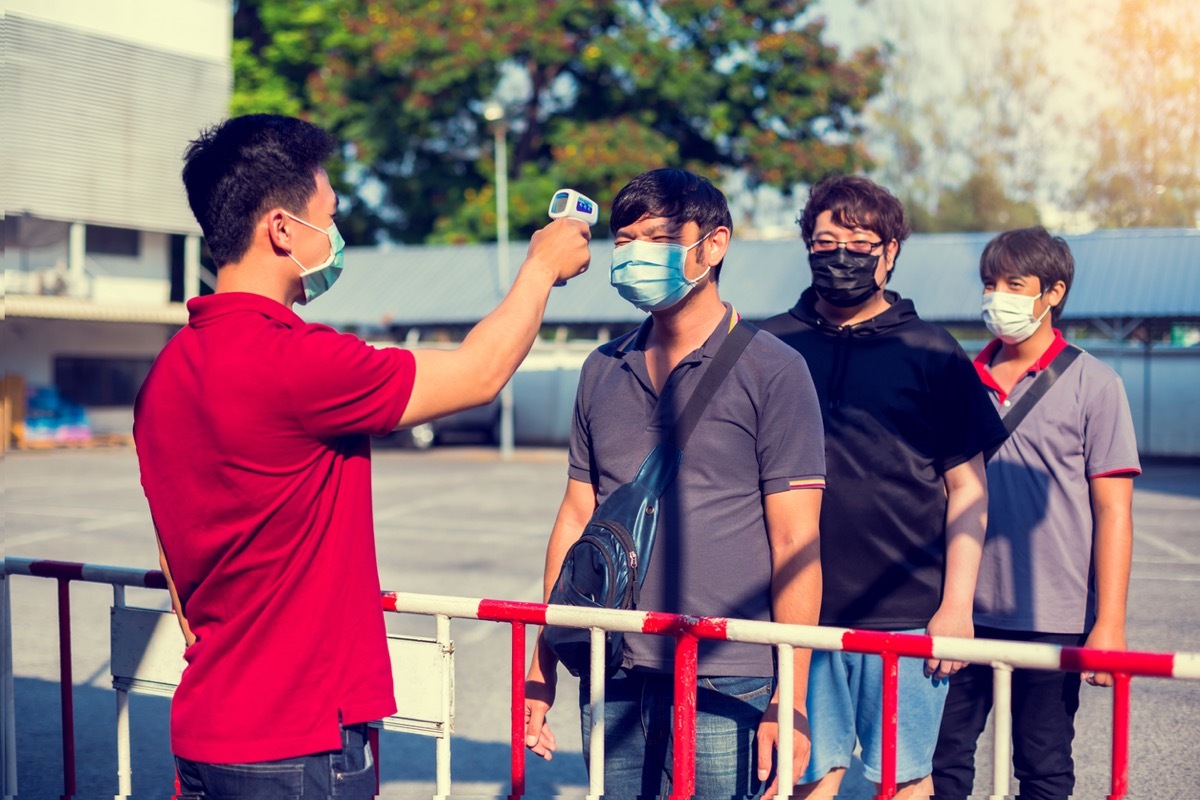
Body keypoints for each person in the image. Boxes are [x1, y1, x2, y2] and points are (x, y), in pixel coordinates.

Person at [132, 113, 591, 798]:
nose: (337, 234)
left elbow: (174, 555)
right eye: (331, 215)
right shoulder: (297, 361)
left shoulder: (167, 371)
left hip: (208, 728)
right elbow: (477, 373)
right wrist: (541, 268)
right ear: (283, 229)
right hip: (299, 741)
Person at [522, 168, 826, 798]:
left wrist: (789, 698)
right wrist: (543, 664)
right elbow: (578, 516)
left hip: (727, 671)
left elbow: (797, 538)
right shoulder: (602, 368)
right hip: (612, 668)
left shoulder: (774, 369)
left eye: (655, 240)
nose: (634, 256)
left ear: (713, 246)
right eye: (624, 241)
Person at [759, 174, 1004, 799]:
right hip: (798, 611)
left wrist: (956, 608)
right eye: (824, 240)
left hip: (908, 614)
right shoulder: (765, 347)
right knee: (807, 774)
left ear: (891, 251)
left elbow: (968, 490)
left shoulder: (933, 352)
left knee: (904, 779)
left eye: (859, 241)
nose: (840, 254)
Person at [931, 227, 1140, 800]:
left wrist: (1110, 622)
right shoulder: (956, 380)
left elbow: (1114, 512)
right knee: (940, 761)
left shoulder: (1096, 383)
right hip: (959, 610)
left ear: (1053, 293)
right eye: (989, 283)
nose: (997, 296)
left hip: (1053, 615)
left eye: (1014, 284)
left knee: (1042, 764)